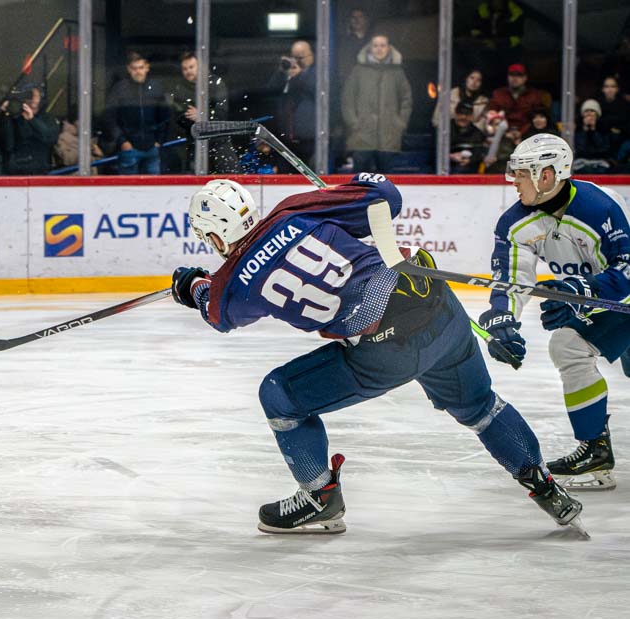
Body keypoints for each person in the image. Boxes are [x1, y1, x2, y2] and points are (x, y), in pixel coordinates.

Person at [171, 176, 582, 534]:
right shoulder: (292, 211)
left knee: (278, 394)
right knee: (481, 407)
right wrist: (352, 188)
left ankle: (319, 498)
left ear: (214, 238)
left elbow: (215, 313)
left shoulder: (235, 283)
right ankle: (545, 487)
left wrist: (192, 285)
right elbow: (386, 196)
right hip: (437, 307)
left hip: (387, 351)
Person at [478, 133, 630, 490]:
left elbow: (627, 270)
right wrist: (502, 318)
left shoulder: (601, 207)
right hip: (602, 303)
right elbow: (511, 278)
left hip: (621, 298)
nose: (513, 181)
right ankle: (595, 450)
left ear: (546, 175)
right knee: (568, 346)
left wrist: (579, 291)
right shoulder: (514, 223)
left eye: (521, 174)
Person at [341, 34, 412, 173]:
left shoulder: (397, 72)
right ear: (370, 48)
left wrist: (400, 123)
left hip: (389, 137)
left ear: (389, 48)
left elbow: (406, 99)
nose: (379, 49)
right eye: (375, 46)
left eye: (382, 45)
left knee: (386, 180)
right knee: (361, 178)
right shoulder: (358, 71)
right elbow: (347, 99)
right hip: (361, 136)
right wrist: (354, 123)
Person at [104, 51, 170, 174]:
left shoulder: (156, 88)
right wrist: (122, 141)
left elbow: (164, 117)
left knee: (154, 185)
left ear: (147, 67)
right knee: (128, 185)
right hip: (128, 148)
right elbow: (110, 117)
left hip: (152, 147)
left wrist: (158, 141)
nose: (138, 71)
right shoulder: (119, 89)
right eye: (134, 68)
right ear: (129, 69)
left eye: (141, 67)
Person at [267, 41, 317, 166]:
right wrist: (280, 72)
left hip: (309, 139)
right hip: (285, 138)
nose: (297, 61)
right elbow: (270, 91)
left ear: (312, 56)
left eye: (301, 57)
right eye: (294, 57)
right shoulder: (287, 74)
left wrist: (300, 75)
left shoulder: (317, 73)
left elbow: (316, 92)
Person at [0, 84, 60, 175]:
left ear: (41, 99)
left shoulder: (48, 119)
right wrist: (6, 114)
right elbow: (8, 144)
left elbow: (50, 138)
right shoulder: (15, 118)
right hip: (16, 169)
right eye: (28, 97)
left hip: (39, 170)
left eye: (35, 97)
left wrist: (32, 120)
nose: (32, 101)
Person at [487, 63, 549, 136]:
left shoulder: (534, 95)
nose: (515, 78)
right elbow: (492, 115)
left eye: (519, 75)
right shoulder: (498, 93)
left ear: (525, 78)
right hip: (502, 133)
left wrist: (521, 133)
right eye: (512, 75)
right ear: (508, 77)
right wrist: (505, 133)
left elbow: (538, 117)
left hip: (528, 133)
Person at [573, 99, 614, 174]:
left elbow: (604, 150)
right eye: (586, 111)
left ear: (597, 115)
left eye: (592, 111)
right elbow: (579, 150)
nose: (589, 114)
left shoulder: (604, 130)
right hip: (581, 163)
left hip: (600, 163)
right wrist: (585, 130)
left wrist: (593, 130)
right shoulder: (577, 131)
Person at [448, 100, 487, 173]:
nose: (463, 117)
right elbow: (434, 152)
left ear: (472, 116)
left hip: (469, 169)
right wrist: (450, 156)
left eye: (467, 114)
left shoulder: (477, 133)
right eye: (460, 113)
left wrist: (470, 160)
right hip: (447, 167)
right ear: (455, 114)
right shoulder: (445, 131)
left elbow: (480, 153)